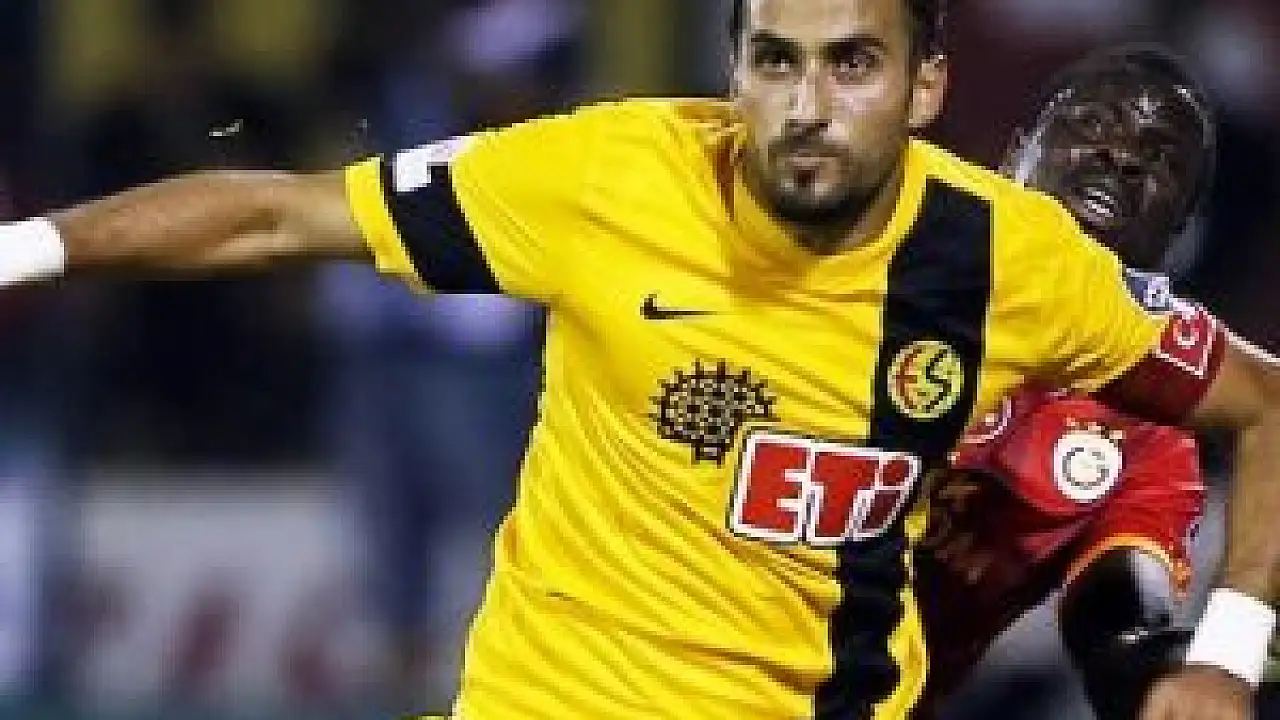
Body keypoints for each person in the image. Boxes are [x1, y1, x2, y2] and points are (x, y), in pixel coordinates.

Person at [0, 1, 1277, 718]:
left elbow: (1231, 448)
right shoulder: (610, 172)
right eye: (775, 60)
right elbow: (276, 214)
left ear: (926, 87)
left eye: (851, 64)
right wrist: (20, 250)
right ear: (734, 71)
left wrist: (1216, 656)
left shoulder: (1023, 276)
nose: (808, 104)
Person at [911, 46, 1229, 720]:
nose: (1123, 156)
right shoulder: (888, 247)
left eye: (1161, 158)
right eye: (1092, 123)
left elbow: (1118, 598)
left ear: (1179, 232)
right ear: (1014, 155)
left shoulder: (1153, 435)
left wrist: (1147, 659)